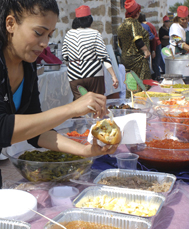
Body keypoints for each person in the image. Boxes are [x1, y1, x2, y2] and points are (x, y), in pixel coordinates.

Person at [0, 0, 118, 180]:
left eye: (49, 35)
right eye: (38, 33)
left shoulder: (28, 67)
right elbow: (3, 128)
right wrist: (71, 109)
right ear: (10, 24)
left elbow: (37, 131)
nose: (44, 44)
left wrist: (85, 150)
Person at [62, 5, 119, 101]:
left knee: (80, 105)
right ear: (90, 20)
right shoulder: (95, 33)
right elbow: (104, 57)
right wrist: (114, 76)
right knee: (97, 103)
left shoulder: (69, 34)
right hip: (94, 74)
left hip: (74, 75)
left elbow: (65, 56)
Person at [117, 0, 151, 95]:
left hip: (125, 58)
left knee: (130, 82)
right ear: (136, 13)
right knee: (142, 81)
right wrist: (146, 51)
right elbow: (138, 40)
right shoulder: (133, 23)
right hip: (137, 58)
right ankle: (141, 101)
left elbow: (120, 44)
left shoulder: (121, 26)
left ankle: (130, 100)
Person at [140, 13, 164, 80]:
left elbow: (153, 38)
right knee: (156, 62)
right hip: (156, 45)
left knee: (155, 63)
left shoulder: (147, 26)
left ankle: (156, 77)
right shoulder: (148, 24)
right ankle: (157, 76)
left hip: (155, 45)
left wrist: (153, 50)